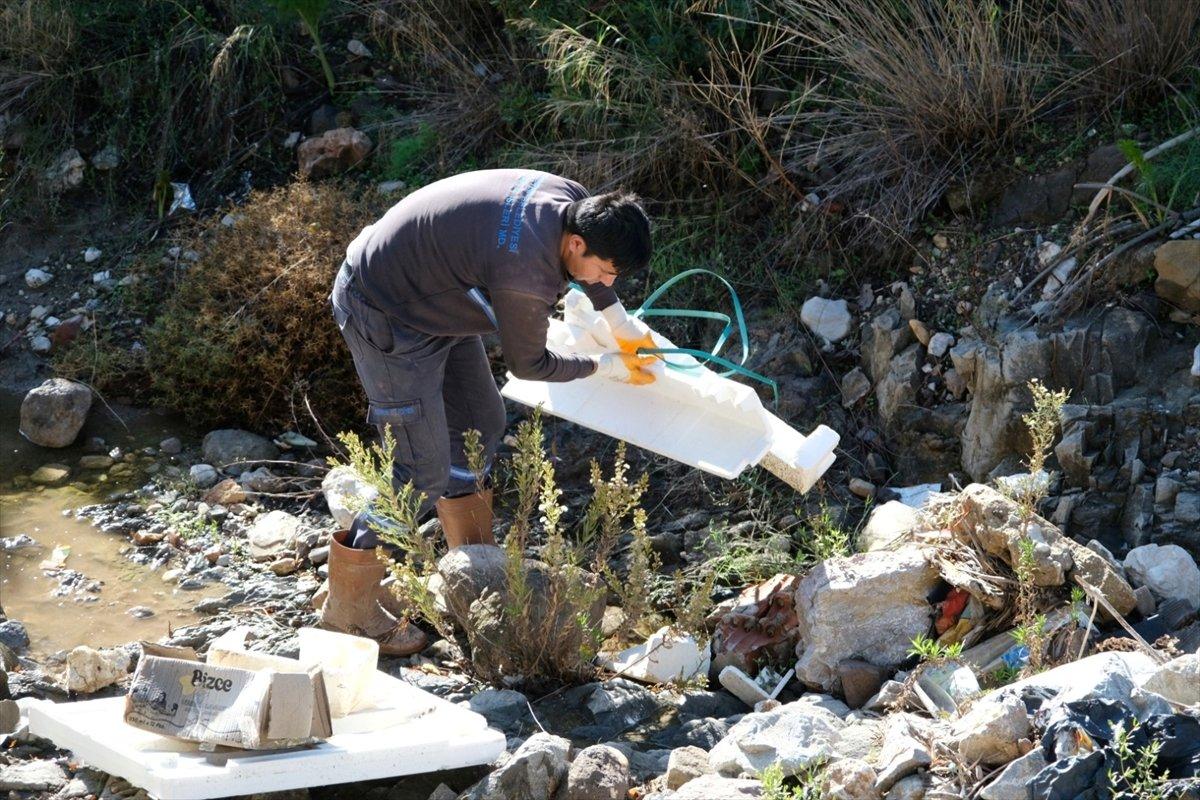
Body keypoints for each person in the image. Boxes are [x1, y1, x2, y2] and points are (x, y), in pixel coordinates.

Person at [320, 168, 657, 654]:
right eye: (606, 271)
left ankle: (470, 571)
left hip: (431, 292)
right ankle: (348, 610)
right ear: (577, 244)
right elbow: (529, 363)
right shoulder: (526, 271)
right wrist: (606, 366)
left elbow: (592, 273)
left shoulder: (575, 203)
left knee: (482, 421)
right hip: (382, 306)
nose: (607, 281)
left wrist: (618, 321)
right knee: (420, 472)